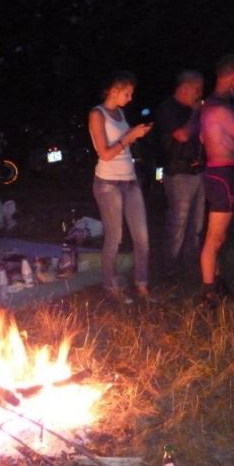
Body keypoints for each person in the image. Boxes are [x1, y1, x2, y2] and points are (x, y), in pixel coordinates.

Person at [88, 71, 154, 303]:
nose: (130, 98)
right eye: (127, 93)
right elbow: (105, 154)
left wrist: (135, 135)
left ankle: (142, 286)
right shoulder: (97, 114)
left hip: (130, 180)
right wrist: (129, 136)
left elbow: (122, 144)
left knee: (142, 238)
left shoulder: (121, 113)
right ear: (113, 90)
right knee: (114, 237)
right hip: (108, 183)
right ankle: (110, 286)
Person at [199, 54, 234, 305]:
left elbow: (204, 138)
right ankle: (208, 292)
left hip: (221, 172)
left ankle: (216, 281)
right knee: (214, 237)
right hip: (222, 174)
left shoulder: (212, 105)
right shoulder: (221, 109)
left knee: (218, 236)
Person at [154, 70, 206, 275]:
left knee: (196, 224)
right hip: (178, 172)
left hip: (198, 171)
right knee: (178, 223)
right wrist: (195, 114)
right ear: (184, 88)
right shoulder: (168, 108)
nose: (199, 94)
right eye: (197, 89)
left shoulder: (192, 111)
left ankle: (189, 265)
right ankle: (168, 268)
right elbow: (182, 135)